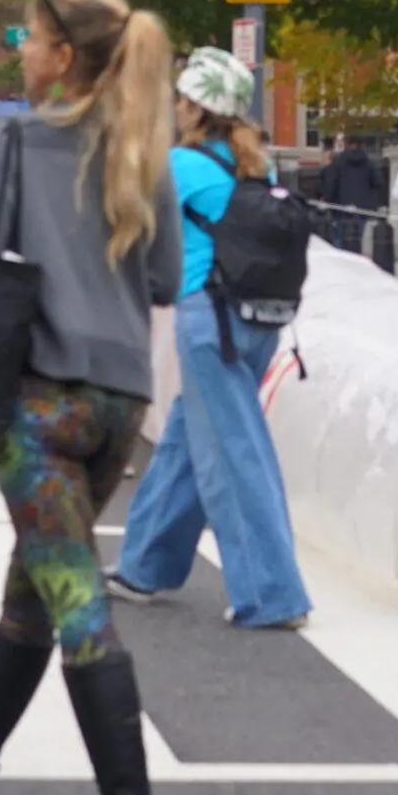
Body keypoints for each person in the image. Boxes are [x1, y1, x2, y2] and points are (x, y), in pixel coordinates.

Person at [0, 0, 177, 795]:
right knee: (37, 577)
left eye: (30, 38)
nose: (23, 51)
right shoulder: (145, 148)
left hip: (38, 399)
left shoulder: (18, 137)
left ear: (63, 57)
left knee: (75, 599)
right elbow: (166, 278)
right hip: (119, 400)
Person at [109, 45, 309, 633]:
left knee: (232, 453)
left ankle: (273, 595)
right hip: (262, 319)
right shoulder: (258, 166)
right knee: (186, 441)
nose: (175, 106)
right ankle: (143, 567)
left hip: (209, 320)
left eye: (181, 99)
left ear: (198, 108)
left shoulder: (179, 165)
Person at [320, 132, 384, 251]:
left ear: (347, 144)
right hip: (362, 208)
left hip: (340, 207)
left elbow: (331, 184)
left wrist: (328, 202)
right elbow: (378, 183)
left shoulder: (338, 162)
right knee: (357, 238)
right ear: (362, 145)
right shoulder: (369, 163)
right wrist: (371, 202)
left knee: (339, 237)